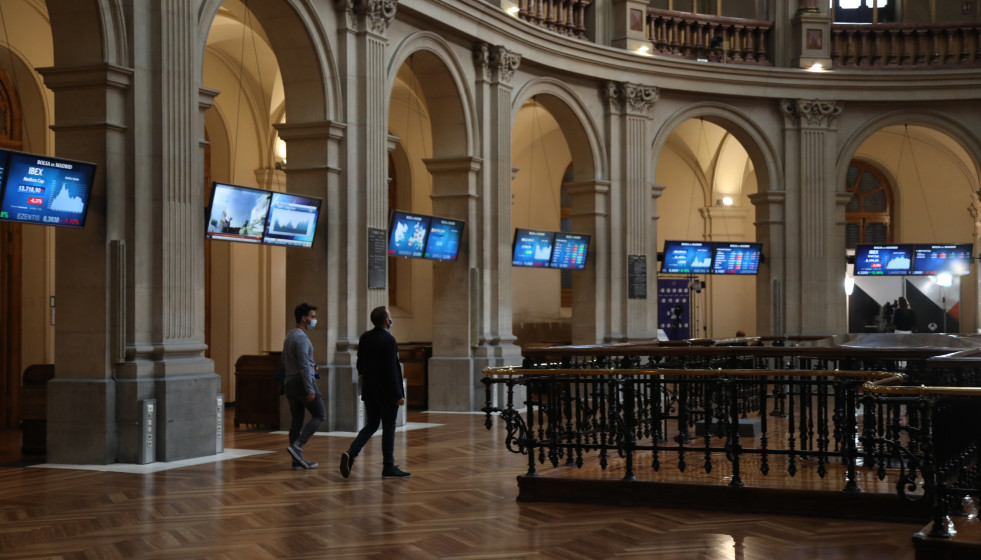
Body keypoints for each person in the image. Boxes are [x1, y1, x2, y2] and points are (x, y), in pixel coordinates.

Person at [339, 306, 411, 479]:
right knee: (388, 428)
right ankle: (388, 466)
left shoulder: (365, 337)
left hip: (370, 391)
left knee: (371, 425)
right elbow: (391, 369)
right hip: (387, 393)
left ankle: (352, 452)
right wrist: (398, 395)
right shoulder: (389, 340)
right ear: (387, 321)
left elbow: (360, 365)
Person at [284, 302, 325, 469]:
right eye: (312, 317)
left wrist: (313, 367)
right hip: (301, 382)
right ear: (304, 318)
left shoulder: (290, 336)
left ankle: (297, 461)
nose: (314, 320)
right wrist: (310, 388)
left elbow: (288, 361)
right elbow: (303, 365)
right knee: (320, 415)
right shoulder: (302, 338)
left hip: (289, 383)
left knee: (297, 421)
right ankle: (297, 446)